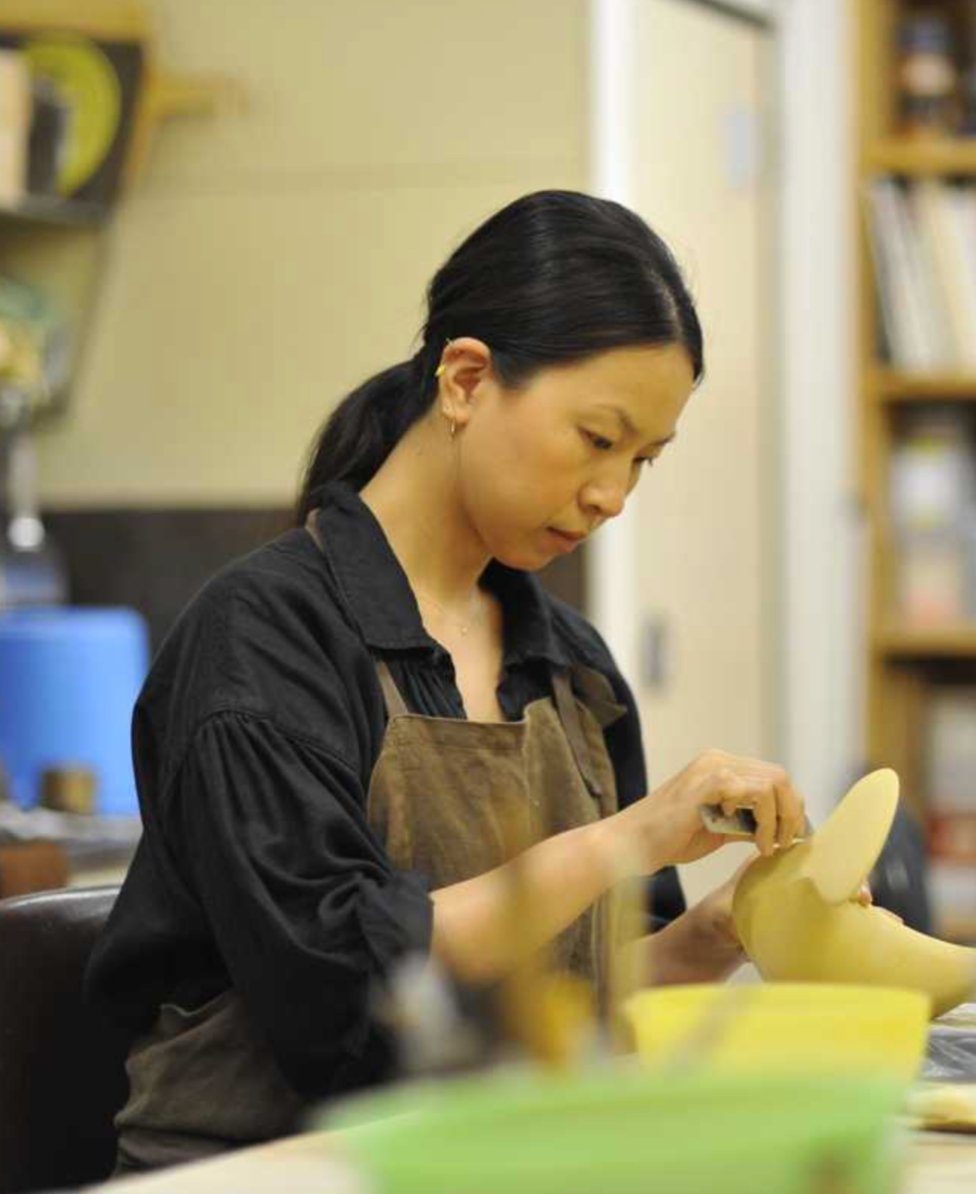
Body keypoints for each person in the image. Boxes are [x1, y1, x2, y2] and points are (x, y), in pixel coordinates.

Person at [85, 190, 807, 1172]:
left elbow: (592, 1004)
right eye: (598, 440)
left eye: (644, 459)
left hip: (498, 1163)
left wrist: (728, 931)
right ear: (467, 379)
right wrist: (621, 841)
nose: (613, 495)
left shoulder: (574, 671)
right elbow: (344, 990)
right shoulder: (265, 638)